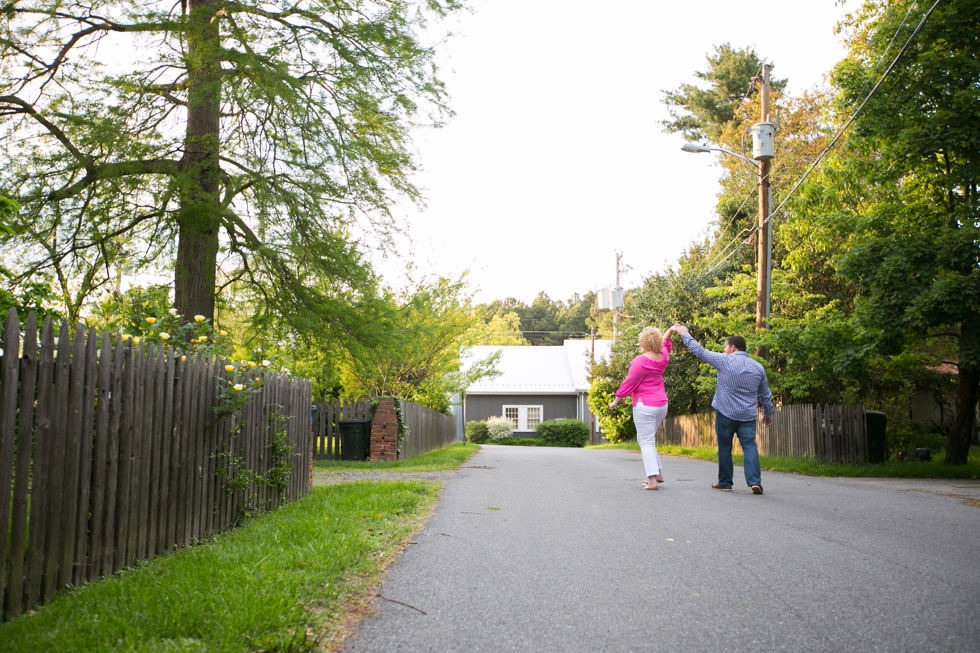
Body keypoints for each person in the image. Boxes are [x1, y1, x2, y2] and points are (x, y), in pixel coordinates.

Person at [672, 325, 774, 494]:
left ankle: (725, 482)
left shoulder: (724, 360)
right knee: (749, 446)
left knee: (725, 448)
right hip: (747, 416)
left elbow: (700, 351)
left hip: (725, 414)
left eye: (725, 346)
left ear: (732, 348)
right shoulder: (758, 367)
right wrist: (768, 414)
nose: (724, 349)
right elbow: (765, 394)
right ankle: (755, 481)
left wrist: (685, 334)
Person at [608, 326, 676, 490]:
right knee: (649, 440)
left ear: (643, 342)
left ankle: (652, 481)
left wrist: (615, 402)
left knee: (646, 442)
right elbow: (666, 343)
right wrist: (671, 330)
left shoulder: (641, 361)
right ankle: (658, 474)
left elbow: (629, 382)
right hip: (661, 405)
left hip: (645, 405)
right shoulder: (663, 357)